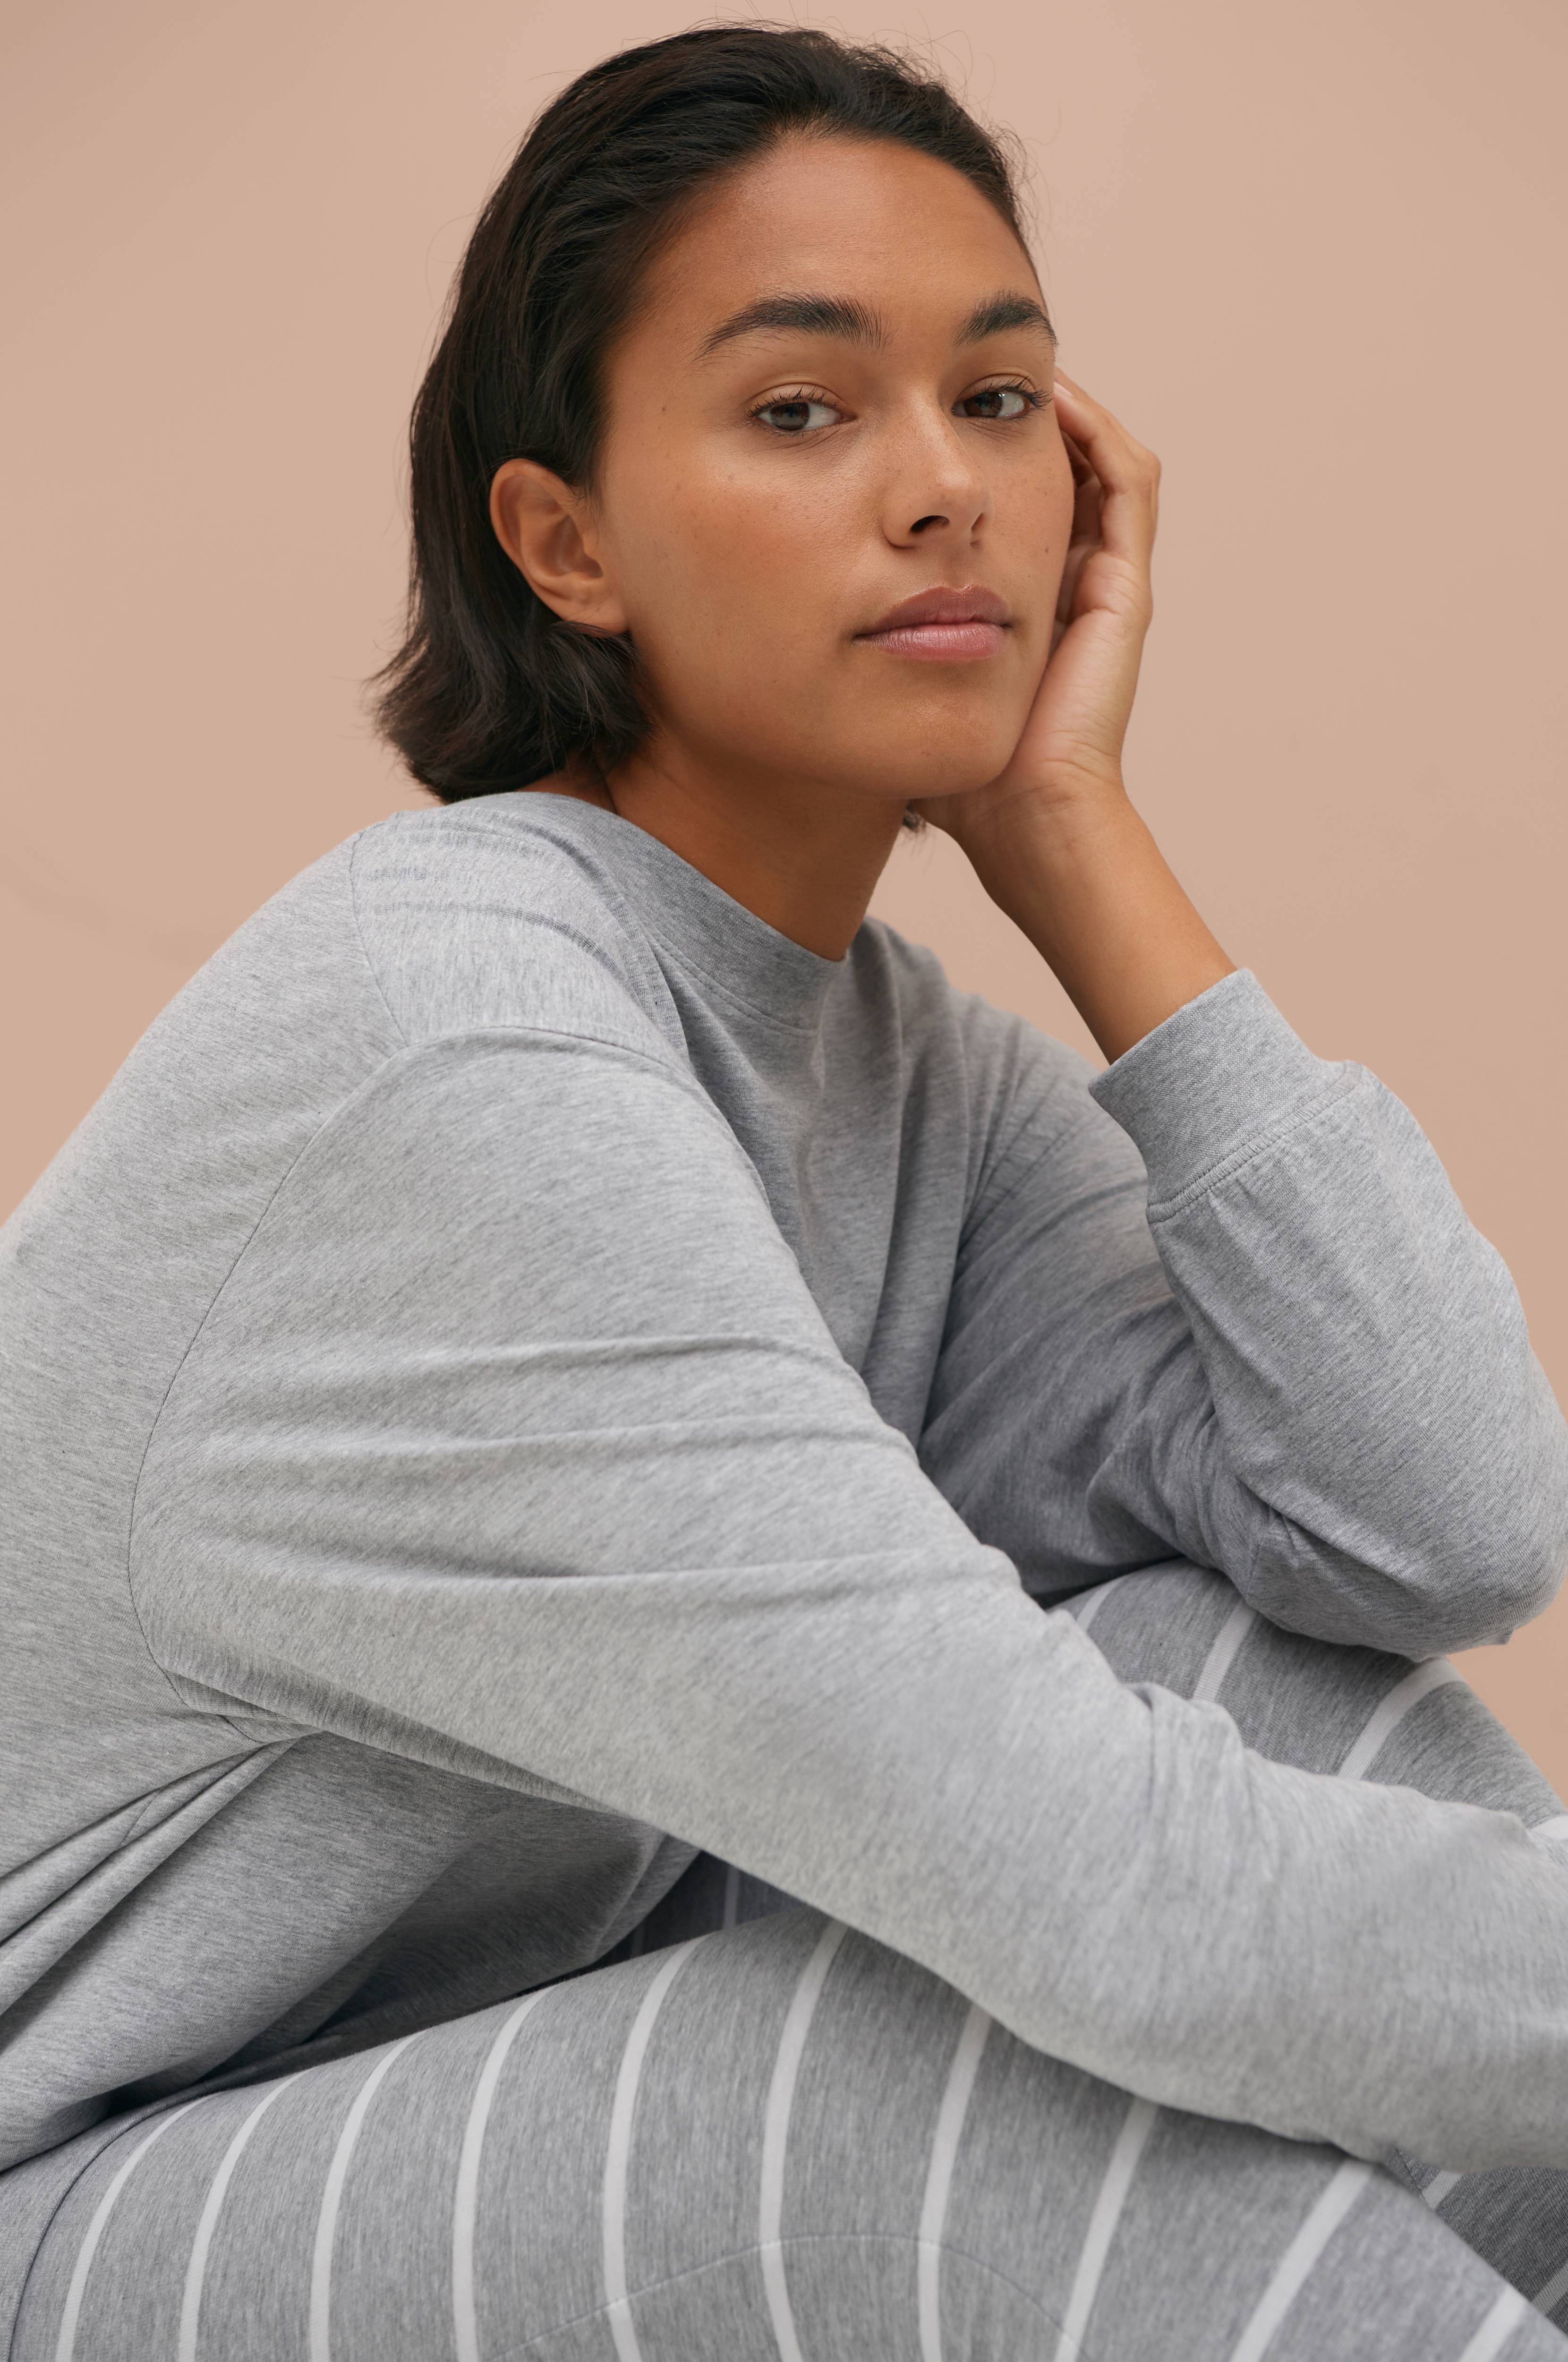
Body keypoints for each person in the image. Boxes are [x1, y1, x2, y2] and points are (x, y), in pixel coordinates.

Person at [2, 22, 1567, 2359]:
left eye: (1000, 399)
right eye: (802, 409)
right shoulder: (456, 1050)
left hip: (484, 2067)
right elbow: (1105, 1896)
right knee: (970, 2093)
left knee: (1228, 1669)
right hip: (69, 2192)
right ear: (566, 543)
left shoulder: (894, 1061)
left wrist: (1076, 837)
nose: (942, 491)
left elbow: (1431, 1520)